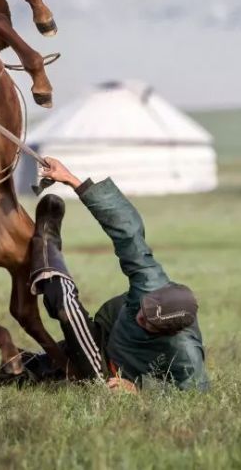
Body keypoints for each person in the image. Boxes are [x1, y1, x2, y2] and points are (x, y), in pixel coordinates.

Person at [25, 157, 208, 392]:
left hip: (110, 377)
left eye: (148, 322)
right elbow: (127, 232)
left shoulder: (185, 350)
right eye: (145, 309)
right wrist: (72, 180)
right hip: (99, 339)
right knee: (28, 359)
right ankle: (47, 244)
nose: (140, 317)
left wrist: (138, 389)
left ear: (169, 332)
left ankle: (46, 245)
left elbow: (195, 391)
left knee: (66, 309)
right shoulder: (150, 283)